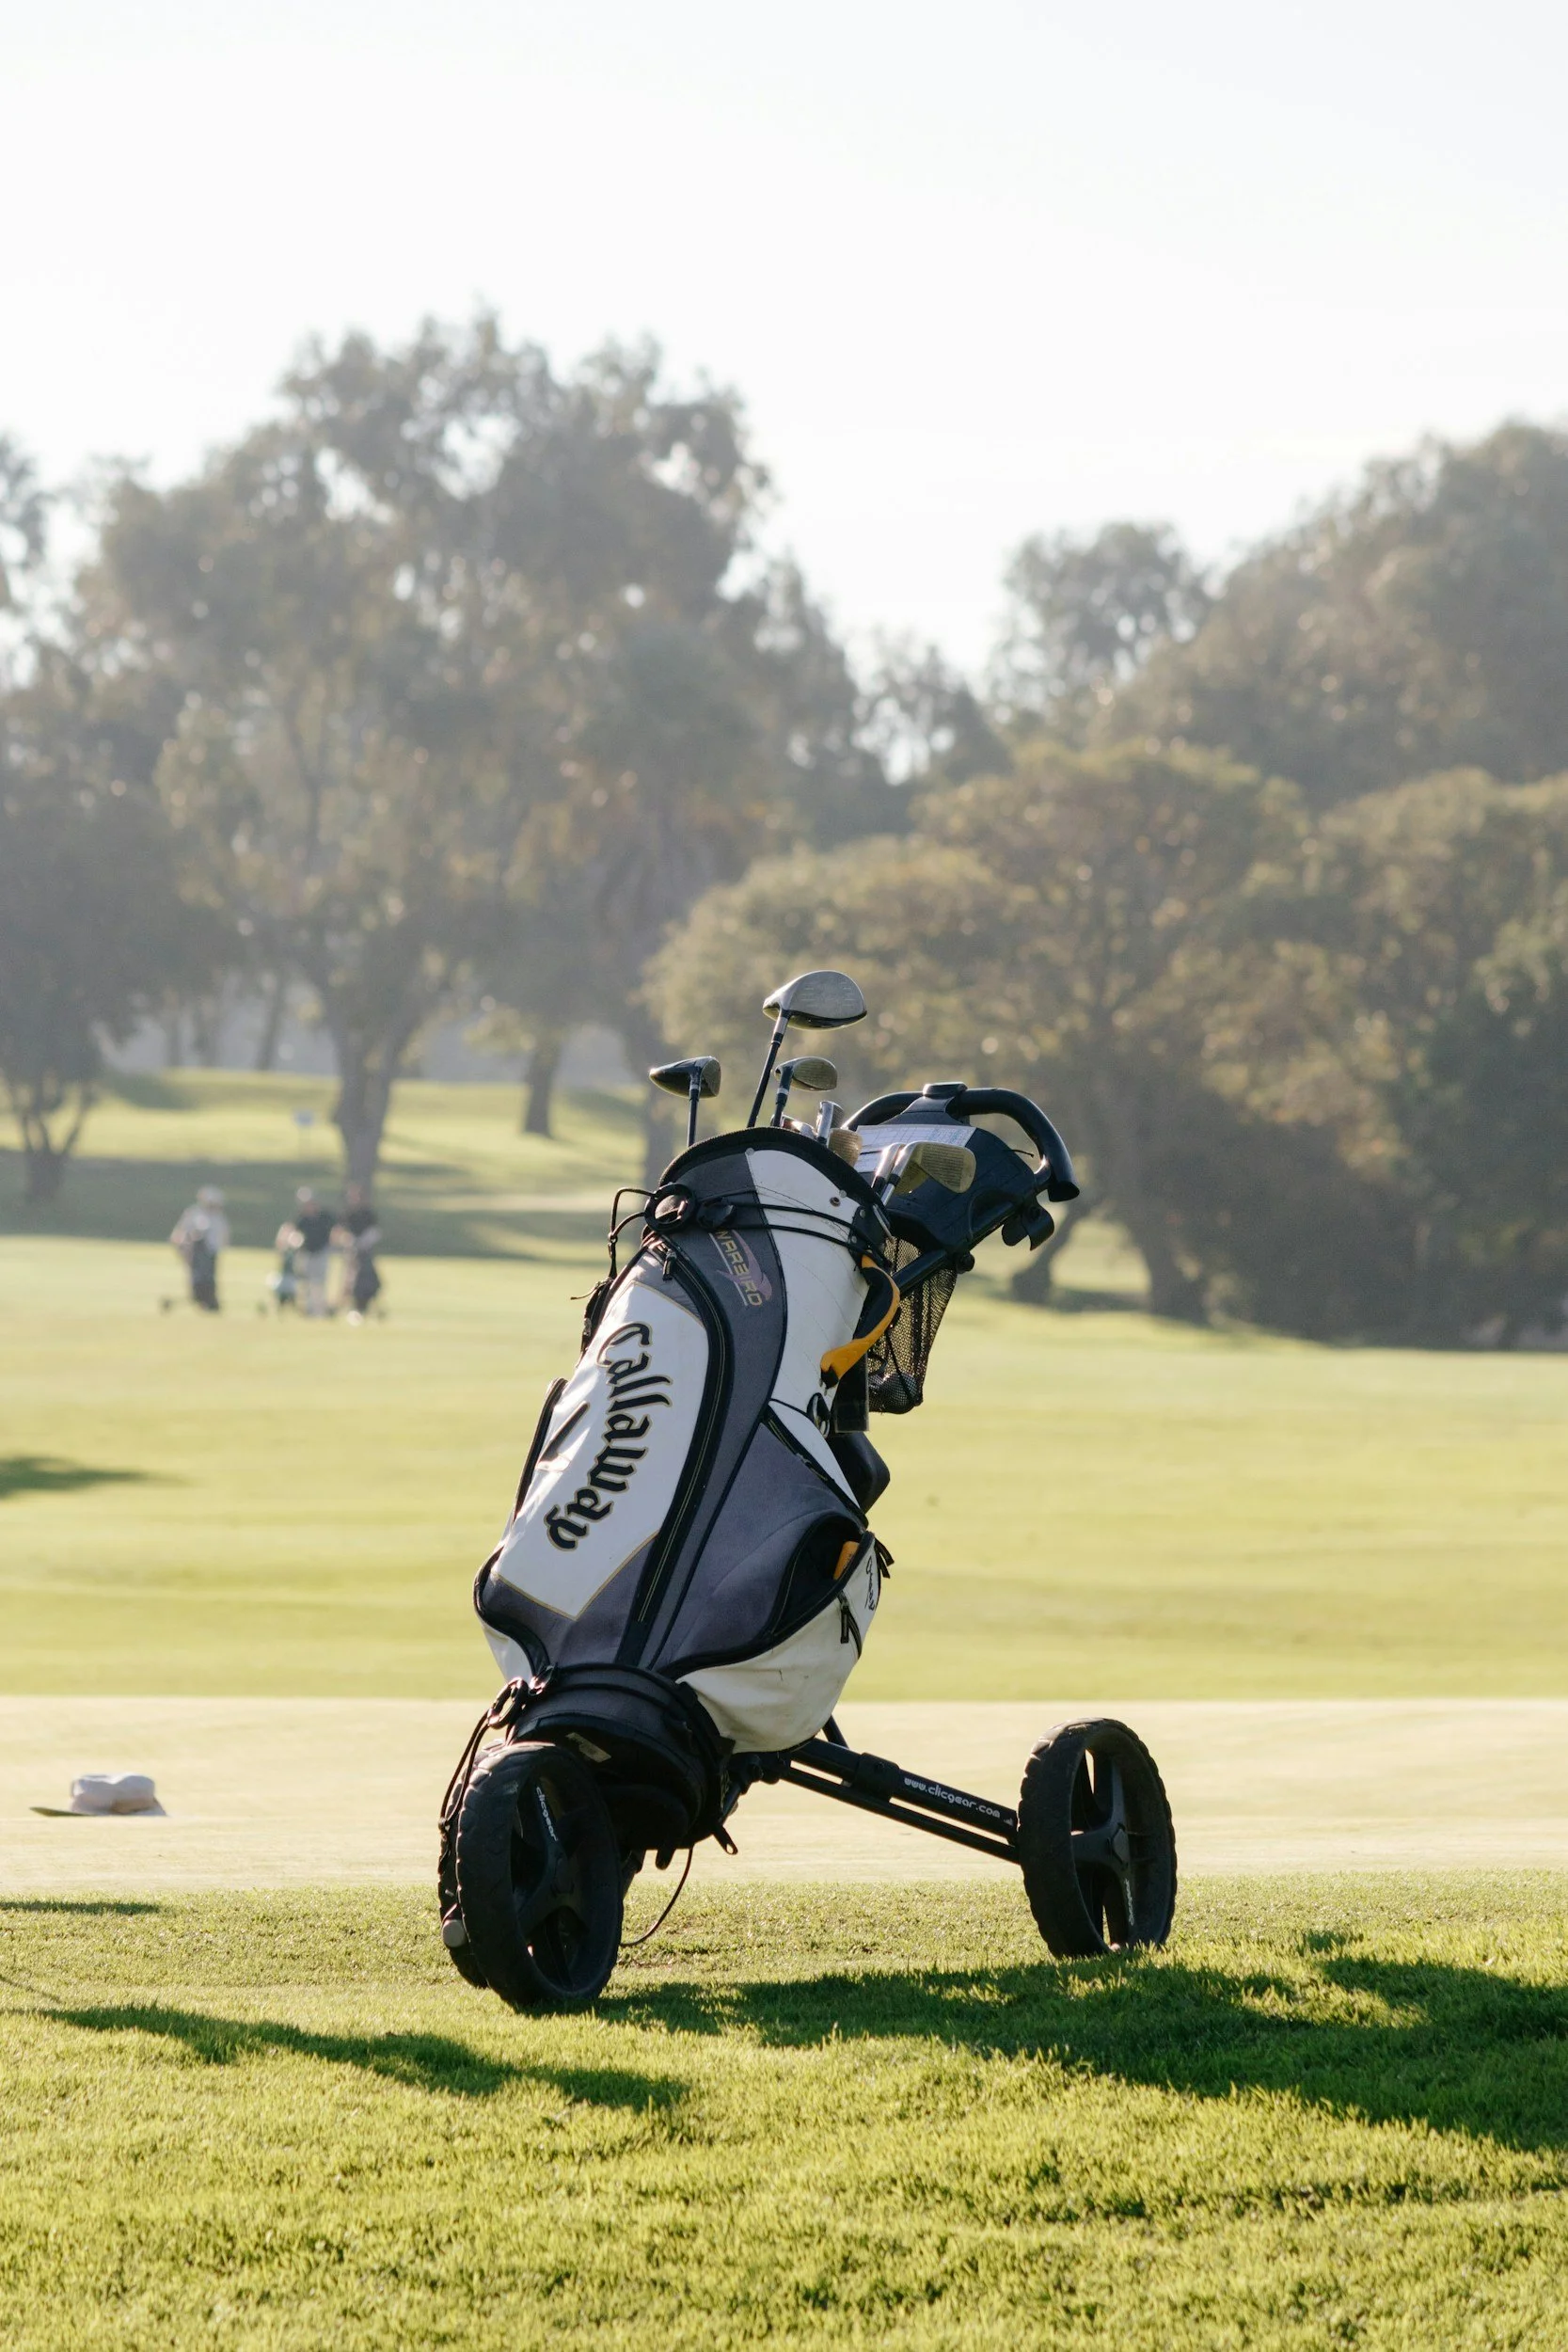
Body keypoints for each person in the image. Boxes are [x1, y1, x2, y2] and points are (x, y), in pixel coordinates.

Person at [277, 1186, 337, 1317]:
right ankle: (310, 1309)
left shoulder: (325, 1216)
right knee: (307, 1283)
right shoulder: (302, 1218)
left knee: (320, 1282)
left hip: (322, 1252)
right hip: (307, 1253)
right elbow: (290, 1231)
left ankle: (319, 1310)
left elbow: (336, 1230)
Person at [169, 1186, 230, 1312]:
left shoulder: (219, 1217)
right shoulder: (194, 1214)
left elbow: (222, 1237)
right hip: (196, 1251)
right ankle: (200, 1299)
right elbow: (182, 1232)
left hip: (211, 1252)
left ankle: (209, 1301)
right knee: (197, 1277)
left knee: (209, 1277)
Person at [334, 1183, 384, 1322]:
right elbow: (339, 1233)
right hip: (351, 1253)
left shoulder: (368, 1214)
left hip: (365, 1253)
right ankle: (348, 1308)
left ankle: (366, 1307)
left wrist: (362, 1242)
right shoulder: (347, 1214)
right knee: (349, 1281)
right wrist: (348, 1241)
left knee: (367, 1280)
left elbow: (375, 1232)